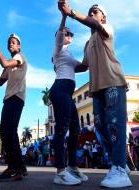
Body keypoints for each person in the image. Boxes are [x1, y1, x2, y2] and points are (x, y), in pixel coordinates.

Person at [58, 1, 133, 188]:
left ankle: (119, 169)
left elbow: (96, 26)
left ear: (103, 17)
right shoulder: (87, 43)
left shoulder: (106, 28)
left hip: (113, 83)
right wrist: (63, 62)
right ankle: (120, 163)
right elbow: (83, 65)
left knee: (115, 125)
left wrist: (73, 13)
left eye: (95, 11)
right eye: (90, 11)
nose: (92, 13)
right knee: (99, 127)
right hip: (97, 88)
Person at [49, 11, 88, 186]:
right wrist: (64, 16)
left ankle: (72, 166)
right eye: (66, 33)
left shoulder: (69, 55)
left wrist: (89, 48)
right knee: (61, 129)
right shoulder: (57, 48)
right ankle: (60, 172)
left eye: (70, 33)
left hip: (67, 92)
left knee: (75, 129)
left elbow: (83, 67)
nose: (68, 35)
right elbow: (59, 34)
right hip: (59, 90)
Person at [0, 33, 27, 182]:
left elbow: (4, 63)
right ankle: (18, 167)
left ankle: (15, 167)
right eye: (9, 43)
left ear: (19, 46)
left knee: (8, 132)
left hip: (16, 98)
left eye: (13, 43)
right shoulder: (10, 65)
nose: (11, 44)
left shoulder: (19, 57)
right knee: (7, 132)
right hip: (9, 98)